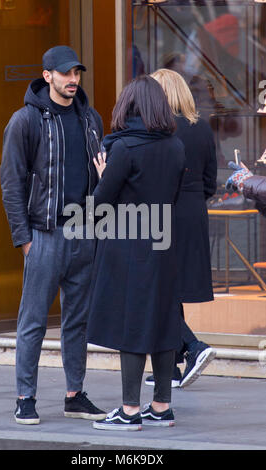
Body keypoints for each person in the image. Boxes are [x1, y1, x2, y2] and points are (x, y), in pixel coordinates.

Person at [0, 45, 106, 425]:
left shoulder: (90, 119)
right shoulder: (26, 121)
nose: (73, 79)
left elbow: (99, 178)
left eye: (77, 73)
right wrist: (24, 240)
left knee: (77, 321)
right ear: (47, 76)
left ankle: (74, 395)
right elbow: (11, 184)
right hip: (43, 234)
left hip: (84, 232)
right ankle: (25, 397)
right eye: (65, 73)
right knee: (33, 321)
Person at [87, 75, 187, 431]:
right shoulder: (175, 146)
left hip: (129, 245)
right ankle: (162, 406)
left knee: (132, 324)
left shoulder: (124, 148)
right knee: (163, 321)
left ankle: (130, 410)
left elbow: (101, 204)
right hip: (165, 242)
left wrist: (102, 176)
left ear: (127, 106)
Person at [145, 68, 217, 389]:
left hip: (165, 213)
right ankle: (169, 368)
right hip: (194, 211)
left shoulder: (159, 130)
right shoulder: (201, 128)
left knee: (158, 289)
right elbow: (210, 182)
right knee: (171, 289)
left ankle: (192, 346)